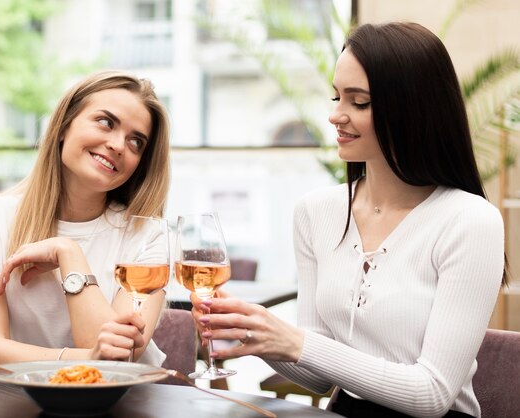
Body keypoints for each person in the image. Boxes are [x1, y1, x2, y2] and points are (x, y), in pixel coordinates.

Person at [191, 22, 506, 418]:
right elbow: (317, 380)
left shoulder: (470, 221)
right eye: (337, 97)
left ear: (413, 109)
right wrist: (252, 333)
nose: (335, 116)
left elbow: (432, 395)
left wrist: (295, 341)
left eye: (359, 102)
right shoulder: (315, 212)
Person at [0, 70, 170, 367]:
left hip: (127, 406)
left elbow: (114, 365)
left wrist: (69, 254)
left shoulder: (149, 235)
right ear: (62, 126)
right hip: (20, 403)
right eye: (106, 122)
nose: (119, 145)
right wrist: (88, 358)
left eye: (136, 142)